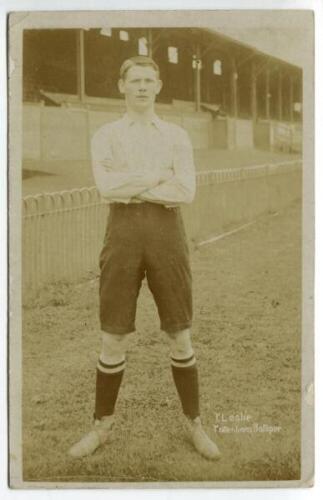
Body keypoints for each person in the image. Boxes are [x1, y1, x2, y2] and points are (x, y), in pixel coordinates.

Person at [68, 55, 220, 461]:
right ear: (121, 86)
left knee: (179, 333)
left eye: (148, 80)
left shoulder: (176, 135)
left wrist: (133, 185)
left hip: (167, 234)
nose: (141, 87)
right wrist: (156, 177)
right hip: (121, 234)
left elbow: (185, 190)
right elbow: (107, 187)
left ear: (158, 86)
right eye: (134, 80)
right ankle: (102, 426)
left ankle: (195, 425)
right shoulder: (105, 135)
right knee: (112, 335)